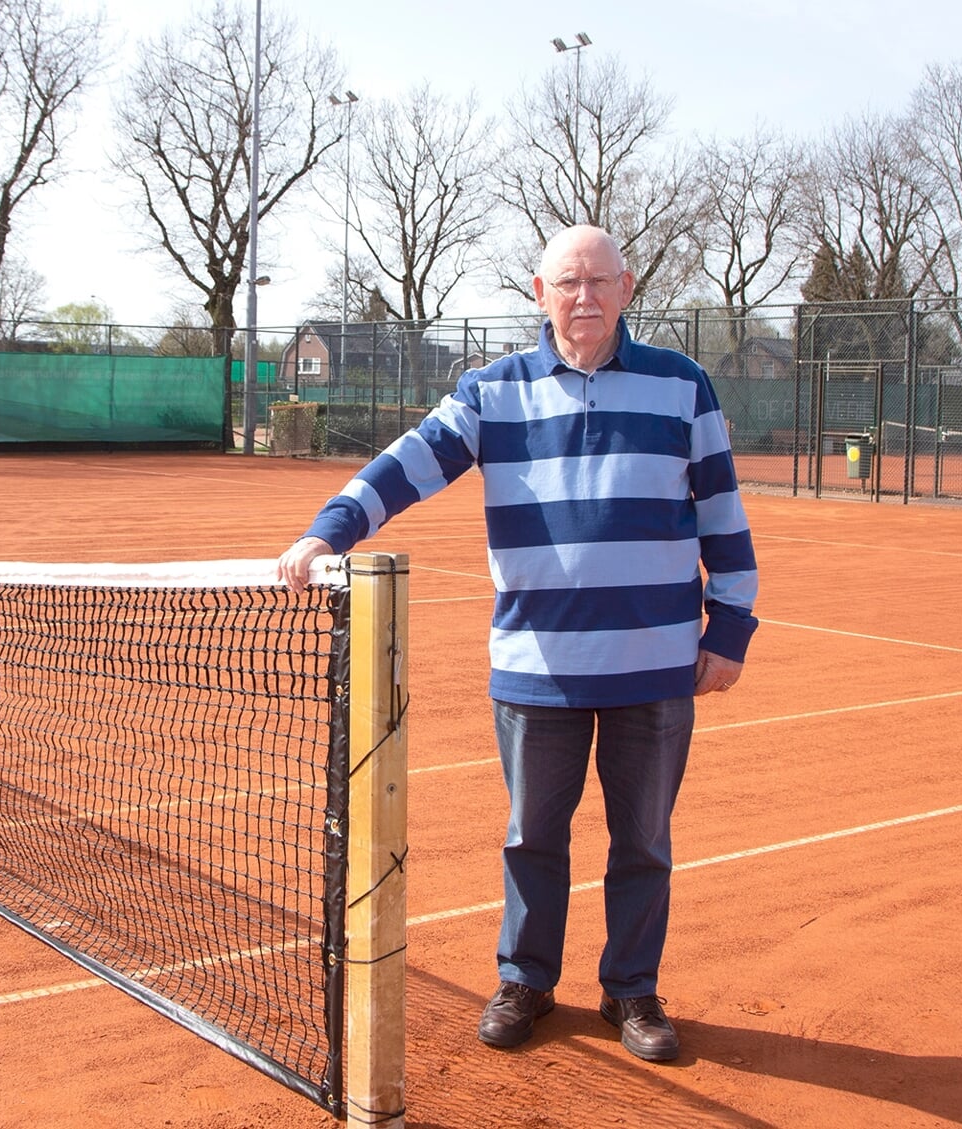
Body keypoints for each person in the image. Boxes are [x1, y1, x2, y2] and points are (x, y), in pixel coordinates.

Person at [277, 225, 758, 1062]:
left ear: (627, 287)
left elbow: (721, 510)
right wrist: (331, 531)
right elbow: (410, 461)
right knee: (532, 834)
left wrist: (734, 625)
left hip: (656, 662)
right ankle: (526, 977)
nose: (584, 298)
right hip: (538, 665)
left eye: (599, 281)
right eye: (567, 282)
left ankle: (631, 990)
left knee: (643, 838)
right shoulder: (492, 391)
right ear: (540, 292)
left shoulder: (683, 386)